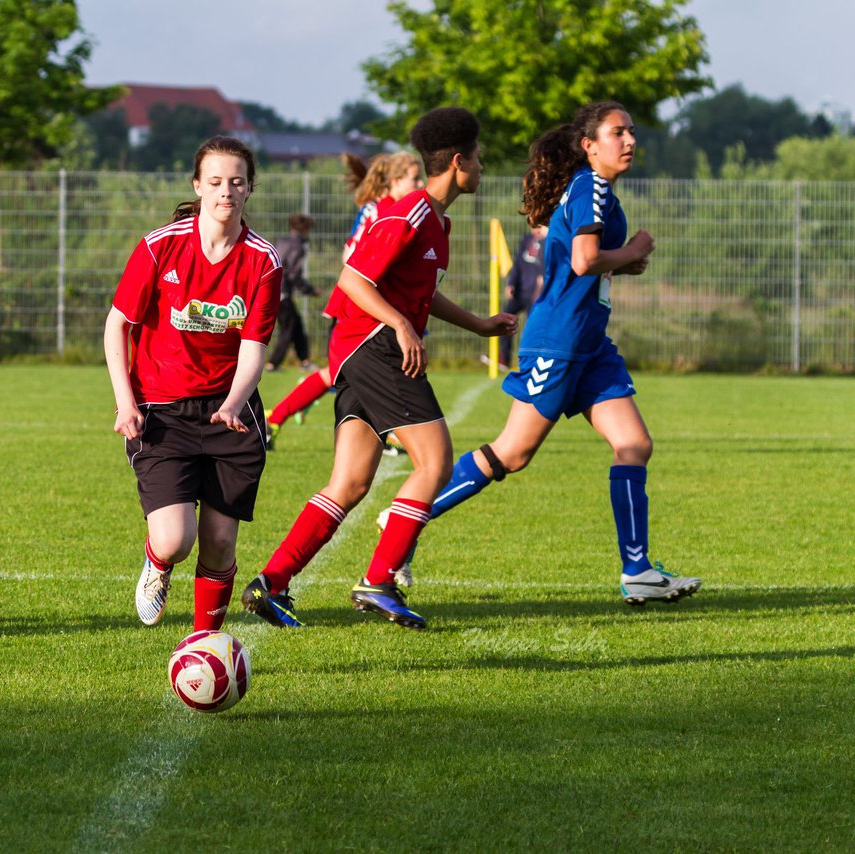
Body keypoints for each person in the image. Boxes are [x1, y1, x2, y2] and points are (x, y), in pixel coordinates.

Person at [242, 107, 515, 630]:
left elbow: (421, 294)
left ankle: (271, 583)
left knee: (350, 482)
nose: (482, 167)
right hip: (373, 347)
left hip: (363, 351)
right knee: (435, 462)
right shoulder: (408, 213)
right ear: (459, 162)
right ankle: (380, 580)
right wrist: (402, 327)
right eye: (479, 158)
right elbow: (352, 281)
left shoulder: (438, 221)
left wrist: (478, 325)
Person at [429, 101, 701, 606]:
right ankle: (407, 519)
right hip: (560, 340)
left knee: (634, 445)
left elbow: (587, 263)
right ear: (589, 144)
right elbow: (584, 259)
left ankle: (638, 571)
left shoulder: (593, 190)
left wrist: (620, 263)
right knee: (512, 452)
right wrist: (635, 250)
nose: (629, 140)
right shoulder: (591, 186)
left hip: (589, 344)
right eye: (617, 132)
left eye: (632, 132)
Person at [105, 135, 281, 632]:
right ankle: (157, 564)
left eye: (238, 181)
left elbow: (254, 348)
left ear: (250, 189)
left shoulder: (263, 261)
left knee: (221, 541)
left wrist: (233, 403)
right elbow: (117, 325)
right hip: (161, 411)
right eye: (217, 181)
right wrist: (125, 403)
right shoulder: (161, 247)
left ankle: (205, 643)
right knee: (175, 540)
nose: (227, 191)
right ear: (198, 186)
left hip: (230, 412)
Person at [265, 152, 424, 448]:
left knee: (357, 374)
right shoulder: (381, 210)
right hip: (358, 307)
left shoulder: (389, 208)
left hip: (370, 307)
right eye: (415, 179)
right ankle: (273, 419)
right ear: (394, 180)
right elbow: (351, 255)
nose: (421, 185)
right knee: (346, 375)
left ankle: (277, 419)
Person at [489, 223, 546, 370]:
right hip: (520, 292)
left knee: (533, 329)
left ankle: (532, 362)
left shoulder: (549, 242)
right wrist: (511, 284)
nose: (536, 229)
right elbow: (517, 264)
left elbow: (547, 269)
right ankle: (504, 359)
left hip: (536, 295)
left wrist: (540, 288)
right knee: (504, 320)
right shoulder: (527, 239)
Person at [264, 213, 316, 372]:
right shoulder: (298, 246)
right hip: (282, 293)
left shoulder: (280, 241)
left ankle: (305, 360)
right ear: (305, 229)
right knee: (288, 328)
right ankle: (273, 363)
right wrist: (310, 290)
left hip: (270, 288)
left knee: (297, 324)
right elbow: (293, 274)